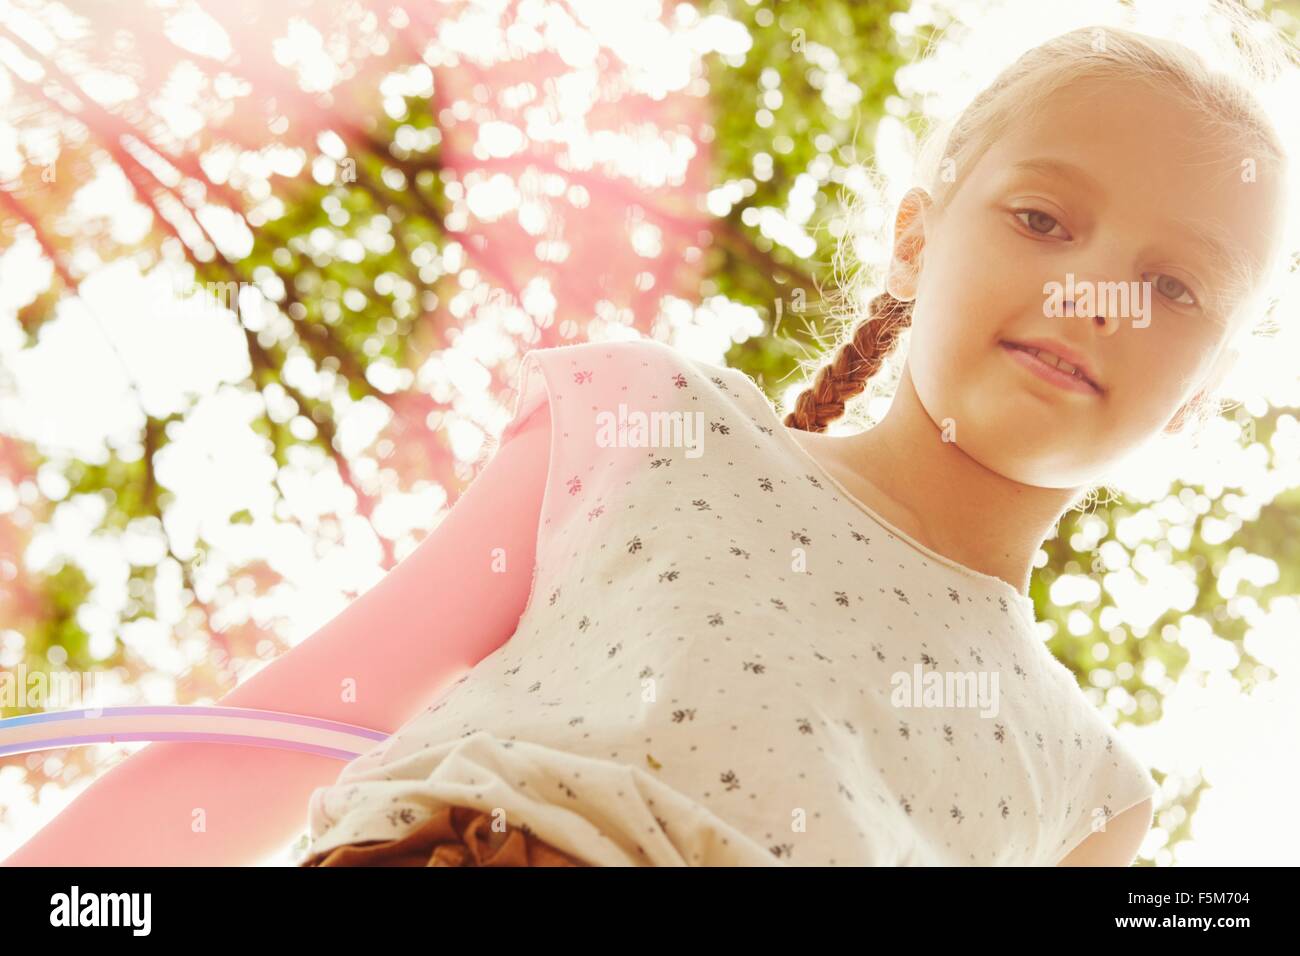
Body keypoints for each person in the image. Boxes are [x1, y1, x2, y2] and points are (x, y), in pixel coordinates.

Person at [5, 11, 1293, 868]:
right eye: (1043, 221)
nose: (1095, 298)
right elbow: (292, 728)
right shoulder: (653, 432)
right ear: (914, 236)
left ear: (1209, 389)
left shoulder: (1090, 787)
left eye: (1176, 289)